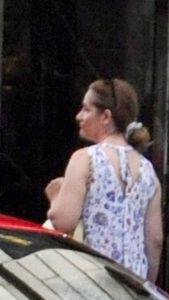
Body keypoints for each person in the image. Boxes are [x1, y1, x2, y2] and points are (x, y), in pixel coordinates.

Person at [44, 78, 160, 275]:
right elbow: (155, 241)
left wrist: (55, 196)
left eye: (86, 109)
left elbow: (63, 221)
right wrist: (148, 286)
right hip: (136, 283)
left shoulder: (85, 159)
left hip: (96, 279)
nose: (78, 116)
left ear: (106, 116)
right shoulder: (148, 171)